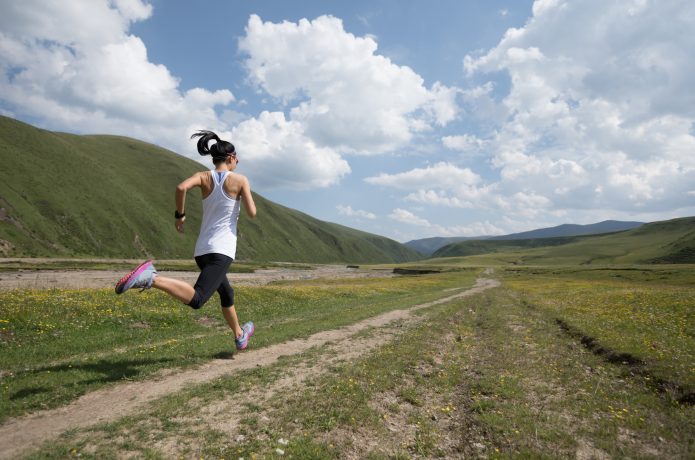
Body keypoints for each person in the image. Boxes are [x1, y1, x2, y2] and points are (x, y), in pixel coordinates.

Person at [115, 130, 258, 350]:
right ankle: (151, 278)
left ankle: (240, 335)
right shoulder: (240, 180)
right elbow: (252, 213)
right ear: (230, 157)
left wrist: (180, 215)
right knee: (198, 299)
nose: (238, 161)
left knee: (227, 293)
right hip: (222, 251)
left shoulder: (203, 176)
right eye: (237, 158)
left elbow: (181, 187)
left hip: (202, 251)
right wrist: (243, 195)